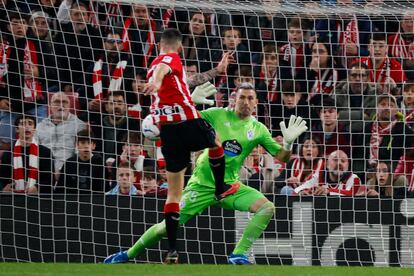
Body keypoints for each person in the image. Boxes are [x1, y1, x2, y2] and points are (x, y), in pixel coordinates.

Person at [104, 83, 308, 265]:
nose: (245, 102)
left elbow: (282, 156)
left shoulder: (259, 129)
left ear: (256, 103)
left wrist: (288, 143)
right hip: (201, 184)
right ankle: (128, 254)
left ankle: (238, 254)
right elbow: (182, 119)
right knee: (165, 228)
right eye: (242, 97)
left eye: (250, 98)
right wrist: (189, 101)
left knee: (266, 208)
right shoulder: (216, 114)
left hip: (229, 187)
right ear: (234, 99)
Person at [141, 28, 238, 263]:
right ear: (180, 46)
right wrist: (156, 81)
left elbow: (188, 81)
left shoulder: (155, 65)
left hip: (168, 131)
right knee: (216, 142)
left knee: (174, 193)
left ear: (159, 43)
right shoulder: (168, 59)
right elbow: (164, 69)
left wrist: (217, 71)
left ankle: (172, 250)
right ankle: (219, 188)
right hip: (186, 120)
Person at [0, 115, 54, 194]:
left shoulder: (45, 152)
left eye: (30, 124)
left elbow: (50, 180)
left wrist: (37, 187)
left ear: (34, 129)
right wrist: (4, 189)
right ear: (17, 129)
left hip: (38, 198)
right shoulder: (8, 154)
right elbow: (3, 180)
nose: (27, 127)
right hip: (14, 197)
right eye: (23, 124)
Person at [37, 92, 87, 171]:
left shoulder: (79, 125)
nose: (61, 105)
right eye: (57, 102)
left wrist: (63, 170)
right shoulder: (39, 126)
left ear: (69, 106)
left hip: (68, 170)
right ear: (50, 106)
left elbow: (80, 154)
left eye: (64, 102)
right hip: (42, 170)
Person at [54, 129, 108, 194]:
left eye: (89, 143)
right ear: (77, 145)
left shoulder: (99, 162)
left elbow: (105, 189)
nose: (86, 146)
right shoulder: (69, 163)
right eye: (83, 143)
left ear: (94, 146)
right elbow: (60, 189)